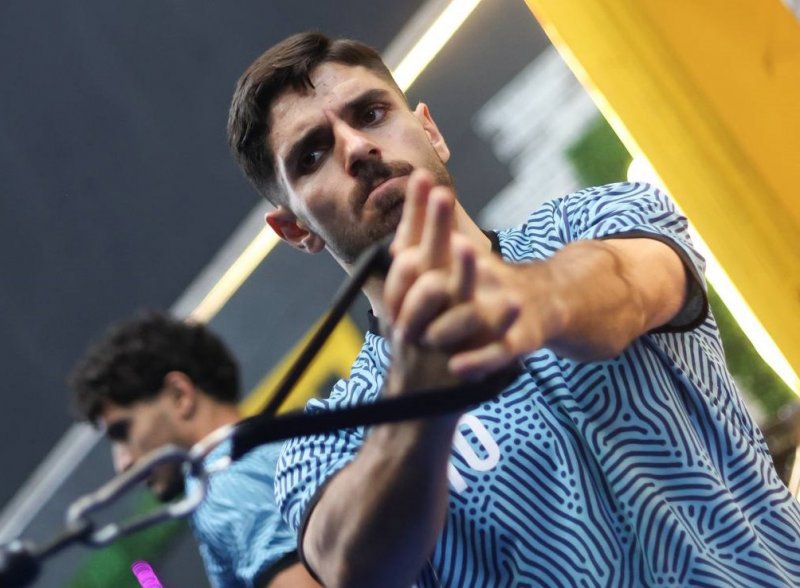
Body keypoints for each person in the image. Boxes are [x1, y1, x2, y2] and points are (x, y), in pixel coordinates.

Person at [227, 32, 800, 587]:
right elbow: (353, 566)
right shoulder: (325, 441)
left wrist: (523, 297)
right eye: (313, 155)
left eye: (371, 114)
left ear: (430, 130)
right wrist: (420, 398)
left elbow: (629, 283)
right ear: (295, 229)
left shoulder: (591, 221)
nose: (356, 149)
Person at [69, 312, 320, 588]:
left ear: (180, 395)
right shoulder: (280, 452)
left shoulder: (222, 487)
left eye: (122, 431)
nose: (122, 463)